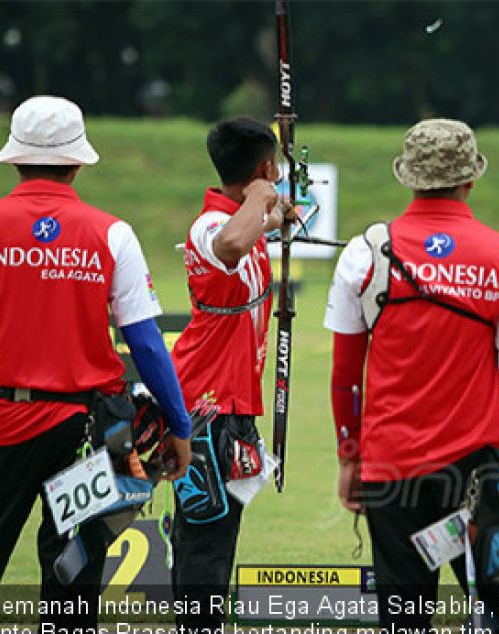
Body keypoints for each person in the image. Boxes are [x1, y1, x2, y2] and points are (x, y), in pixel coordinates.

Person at [0, 95, 193, 631]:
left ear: (16, 157)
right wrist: (179, 424)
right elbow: (146, 344)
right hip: (91, 432)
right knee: (73, 579)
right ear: (77, 161)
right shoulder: (112, 233)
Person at [324, 118, 499, 633]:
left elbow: (344, 378)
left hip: (392, 465)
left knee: (405, 619)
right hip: (482, 462)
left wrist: (349, 454)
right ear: (470, 179)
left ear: (409, 177)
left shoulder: (363, 254)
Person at [168, 116, 285, 628]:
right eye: (272, 168)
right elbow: (232, 244)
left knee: (213, 536)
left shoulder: (240, 214)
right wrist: (263, 194)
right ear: (261, 169)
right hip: (206, 407)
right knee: (204, 542)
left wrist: (278, 204)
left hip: (229, 405)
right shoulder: (214, 226)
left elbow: (270, 221)